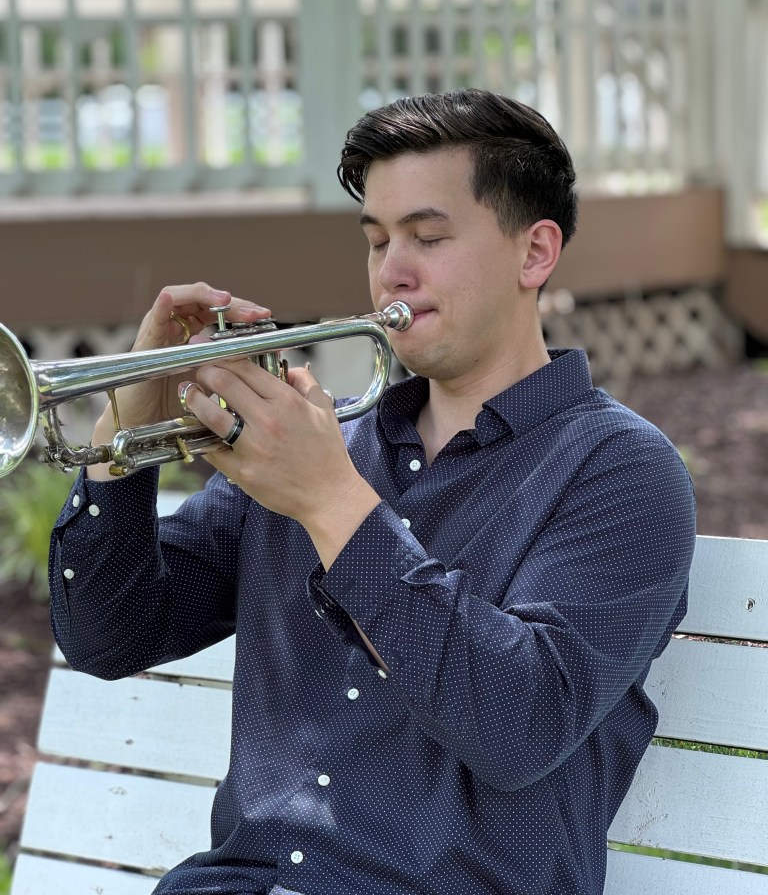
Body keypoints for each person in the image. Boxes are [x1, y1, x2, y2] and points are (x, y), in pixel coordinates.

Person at [49, 88, 696, 895]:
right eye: (378, 238)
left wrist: (332, 506)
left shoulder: (619, 471)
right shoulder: (328, 447)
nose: (392, 268)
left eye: (428, 235)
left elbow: (518, 727)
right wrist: (123, 426)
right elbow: (110, 639)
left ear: (535, 253)